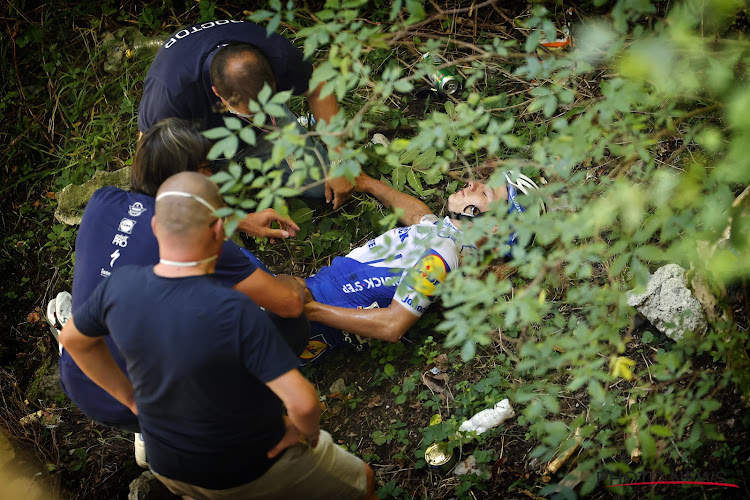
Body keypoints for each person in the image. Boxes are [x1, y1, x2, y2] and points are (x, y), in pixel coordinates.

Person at [59, 172, 377, 499]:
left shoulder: (119, 285)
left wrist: (129, 400)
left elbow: (72, 340)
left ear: (155, 229)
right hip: (244, 464)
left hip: (168, 464)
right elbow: (304, 402)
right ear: (219, 231)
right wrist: (305, 432)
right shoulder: (233, 310)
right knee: (363, 480)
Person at [59, 118, 308, 443]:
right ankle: (235, 414)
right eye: (205, 169)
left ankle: (147, 429)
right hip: (151, 401)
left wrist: (241, 221)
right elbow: (287, 304)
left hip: (86, 380)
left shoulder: (102, 201)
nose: (212, 176)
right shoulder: (197, 240)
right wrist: (295, 285)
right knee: (290, 323)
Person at [299, 169, 543, 364]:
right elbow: (418, 217)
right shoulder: (450, 244)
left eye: (485, 193)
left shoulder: (443, 255)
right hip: (311, 310)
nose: (472, 184)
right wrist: (366, 183)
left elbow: (393, 325)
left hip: (309, 309)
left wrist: (310, 309)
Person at [137, 19, 354, 207]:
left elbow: (317, 88)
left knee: (318, 187)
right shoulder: (169, 94)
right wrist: (235, 221)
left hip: (264, 130)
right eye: (252, 112)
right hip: (197, 145)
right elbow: (149, 154)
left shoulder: (276, 52)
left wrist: (338, 160)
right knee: (189, 202)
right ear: (217, 93)